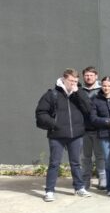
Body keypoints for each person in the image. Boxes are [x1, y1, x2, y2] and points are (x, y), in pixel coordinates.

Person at [35, 68, 93, 201]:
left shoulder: (79, 93)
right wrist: (54, 124)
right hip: (57, 135)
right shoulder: (52, 94)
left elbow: (89, 109)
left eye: (76, 81)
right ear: (63, 79)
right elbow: (41, 112)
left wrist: (78, 93)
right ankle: (49, 191)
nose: (73, 83)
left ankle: (79, 188)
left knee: (76, 163)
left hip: (76, 135)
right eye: (71, 81)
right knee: (54, 163)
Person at [79, 66, 106, 190]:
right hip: (84, 129)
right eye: (86, 75)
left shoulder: (102, 89)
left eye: (91, 75)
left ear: (96, 76)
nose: (89, 77)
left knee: (100, 156)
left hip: (99, 129)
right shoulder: (79, 90)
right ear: (83, 77)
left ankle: (102, 178)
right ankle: (86, 179)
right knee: (85, 157)